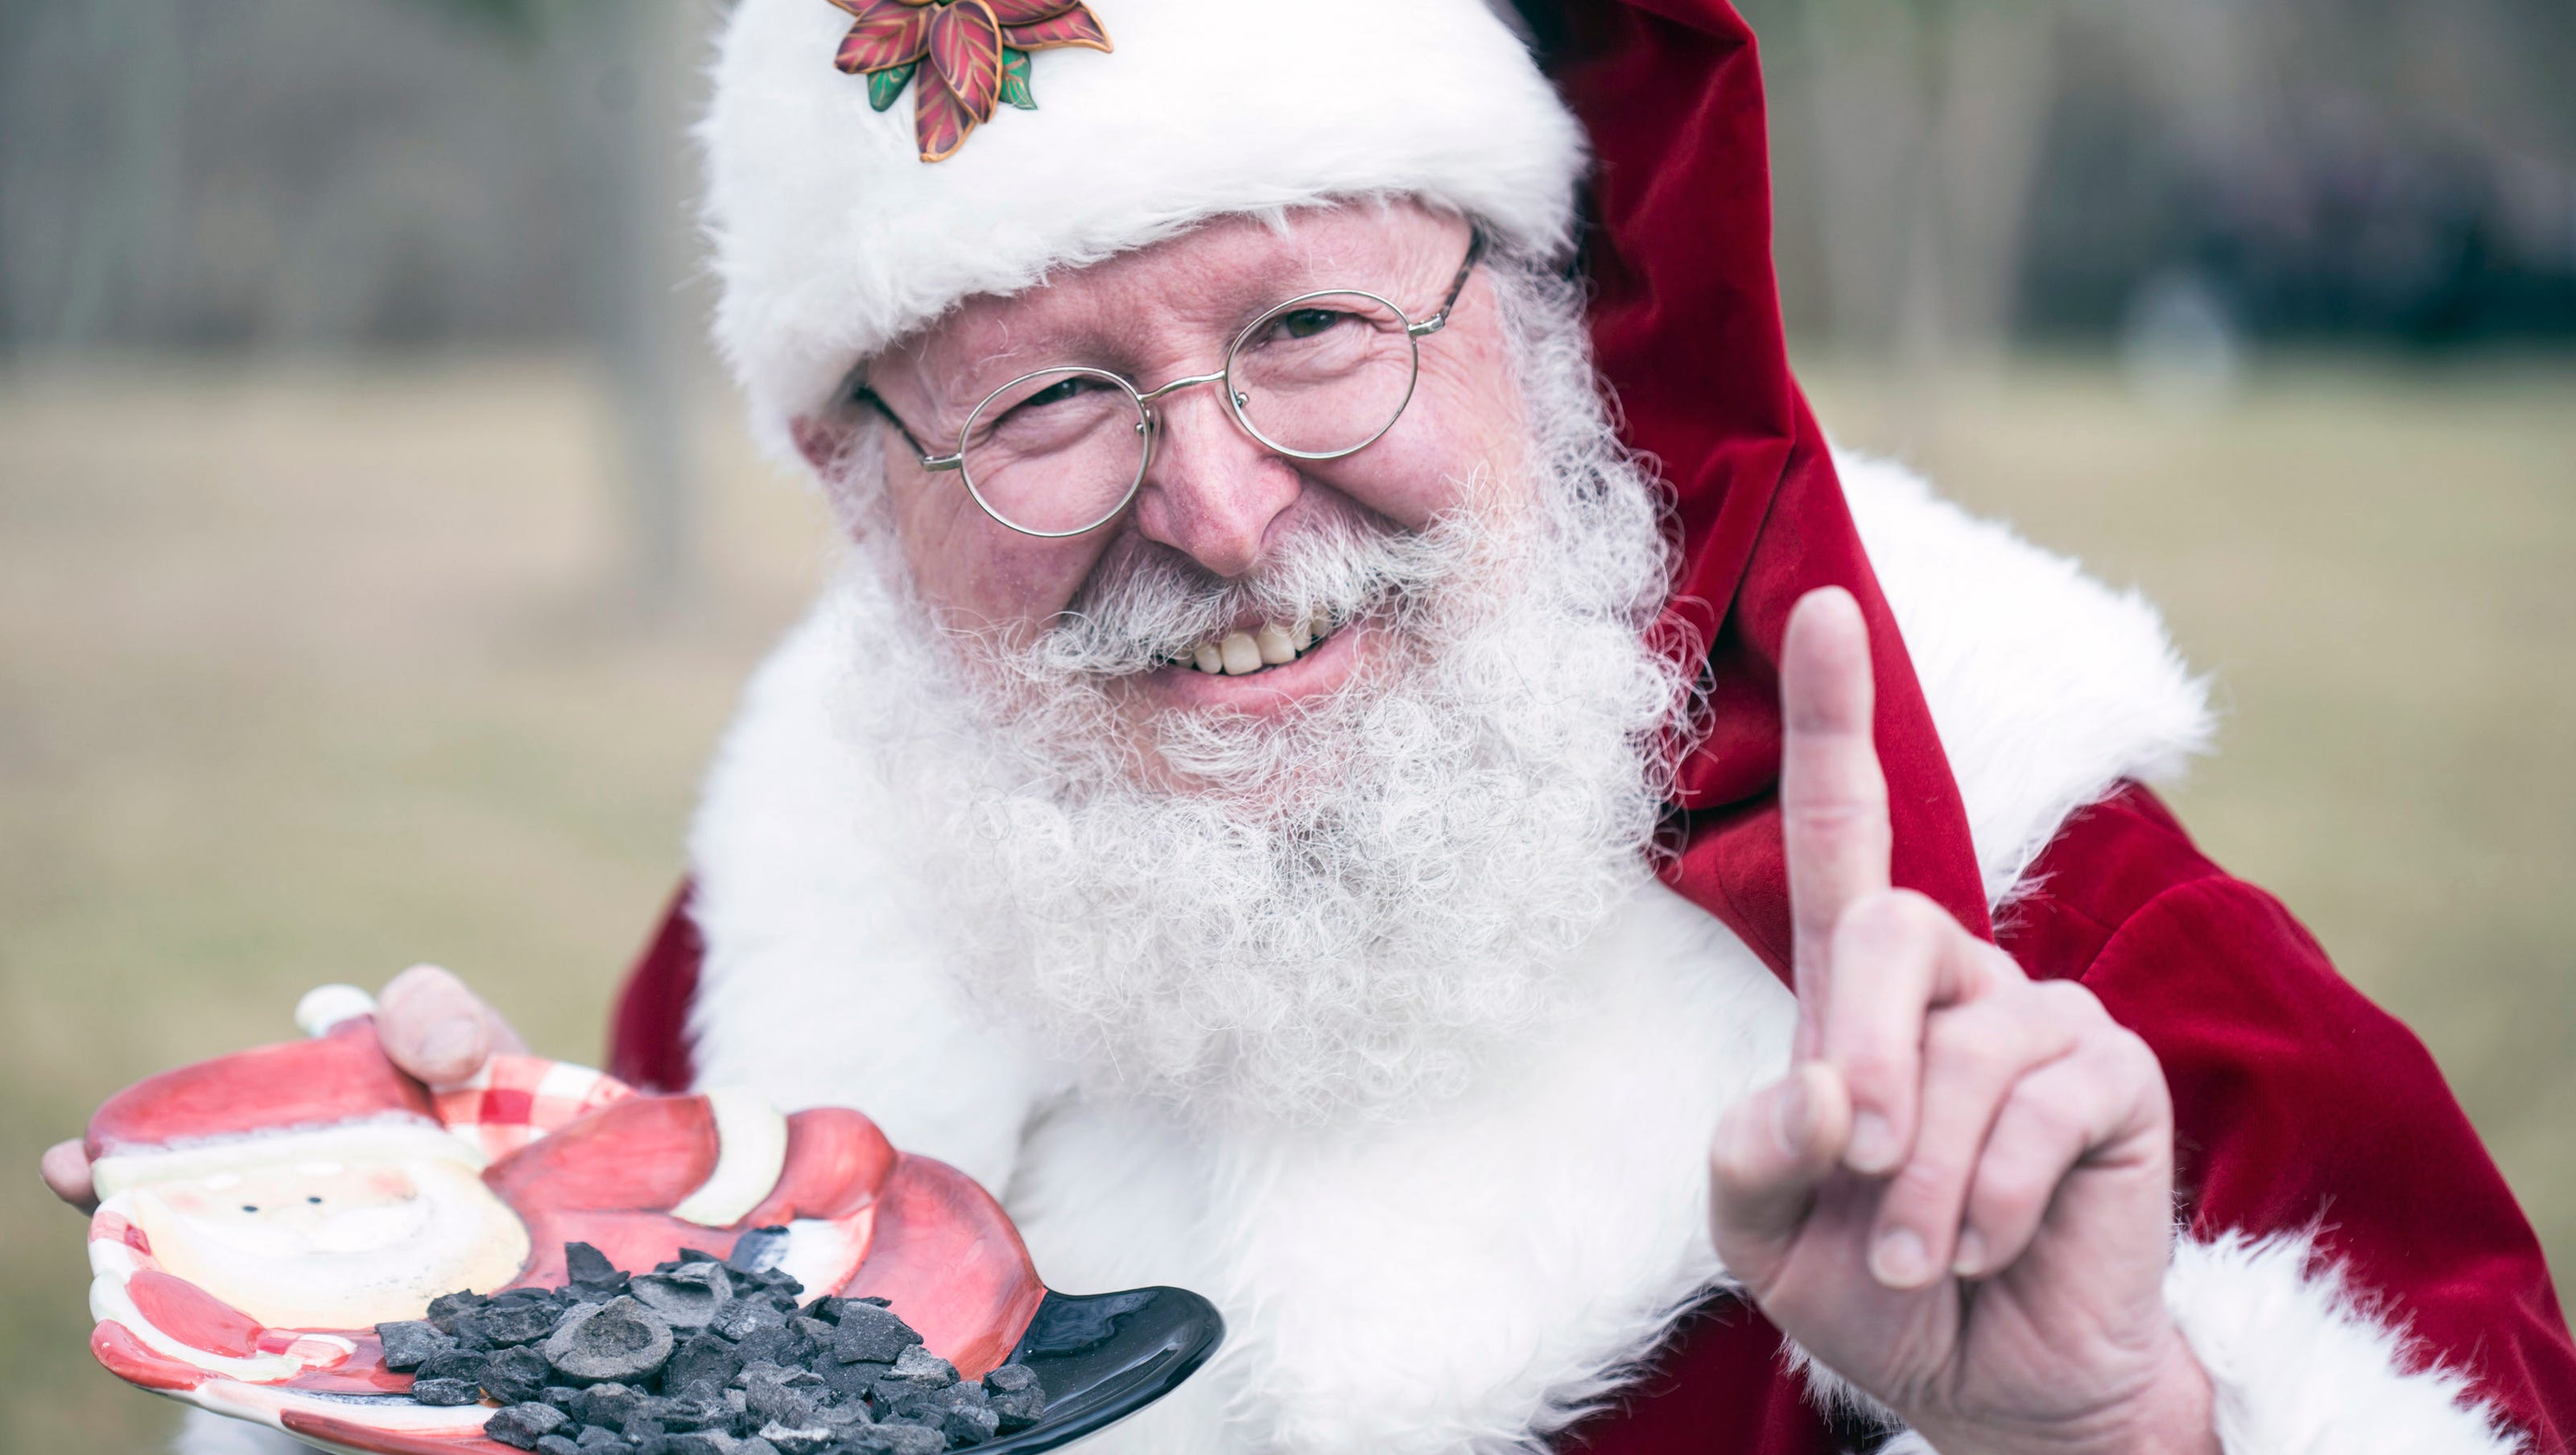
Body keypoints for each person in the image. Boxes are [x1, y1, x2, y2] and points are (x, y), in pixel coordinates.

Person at [44, 0, 2576, 1450]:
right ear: (856, 488)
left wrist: (2123, 1430)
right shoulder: (792, 909)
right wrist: (487, 1351)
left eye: (1312, 330)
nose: (1229, 513)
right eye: (1048, 402)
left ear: (1534, 311)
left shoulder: (2044, 935)